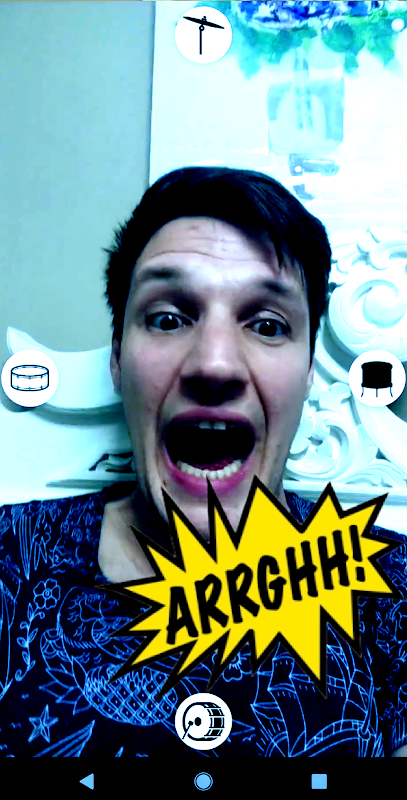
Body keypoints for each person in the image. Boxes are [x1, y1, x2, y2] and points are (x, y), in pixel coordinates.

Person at [1, 166, 406, 757]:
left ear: (307, 374)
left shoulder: (394, 592)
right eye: (168, 318)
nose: (214, 364)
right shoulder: (10, 563)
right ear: (117, 359)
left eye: (268, 325)